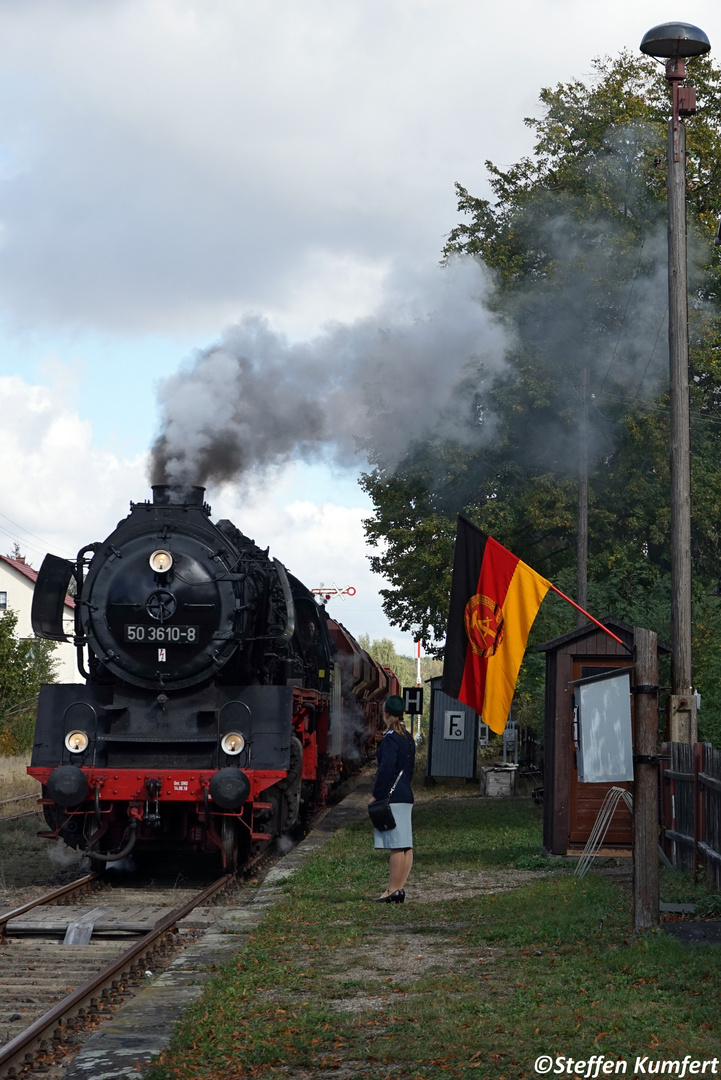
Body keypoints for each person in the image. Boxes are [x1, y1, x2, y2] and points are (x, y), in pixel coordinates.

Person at [370, 694, 415, 903]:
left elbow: (385, 770)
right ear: (403, 714)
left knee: (397, 845)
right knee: (406, 845)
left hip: (392, 797)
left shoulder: (389, 739)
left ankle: (391, 890)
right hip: (406, 795)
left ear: (386, 714)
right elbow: (410, 770)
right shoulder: (408, 738)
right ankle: (400, 888)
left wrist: (376, 795)